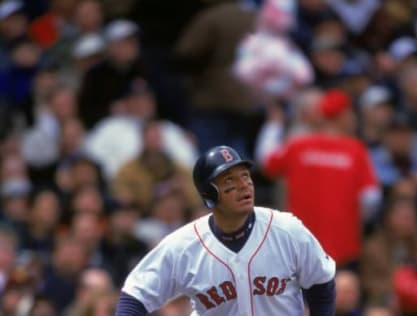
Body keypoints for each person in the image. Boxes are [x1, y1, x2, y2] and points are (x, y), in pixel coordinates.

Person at [115, 145, 336, 315]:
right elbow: (135, 296)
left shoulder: (286, 229)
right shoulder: (184, 245)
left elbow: (321, 282)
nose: (244, 185)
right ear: (209, 195)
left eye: (245, 176)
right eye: (229, 180)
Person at [257, 89, 380, 268]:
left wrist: (273, 125)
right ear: (344, 116)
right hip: (343, 248)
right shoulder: (355, 150)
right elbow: (371, 197)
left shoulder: (299, 145)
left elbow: (266, 162)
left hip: (300, 247)